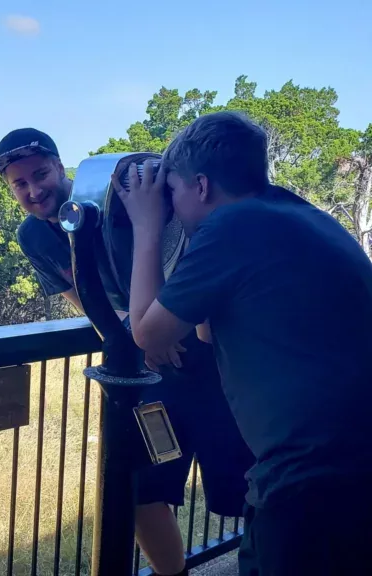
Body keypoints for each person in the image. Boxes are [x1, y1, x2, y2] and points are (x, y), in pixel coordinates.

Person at [116, 110, 372, 576]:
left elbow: (147, 333)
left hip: (310, 479)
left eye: (171, 192)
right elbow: (206, 331)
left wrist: (146, 225)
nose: (169, 205)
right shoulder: (303, 216)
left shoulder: (232, 226)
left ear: (202, 186)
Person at [0, 128, 254, 576]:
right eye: (20, 184)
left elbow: (189, 252)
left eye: (40, 174)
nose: (34, 190)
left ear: (59, 166)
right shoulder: (34, 236)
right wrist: (141, 337)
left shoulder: (122, 197)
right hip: (147, 363)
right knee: (141, 489)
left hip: (208, 354)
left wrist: (169, 326)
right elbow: (87, 300)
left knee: (243, 484)